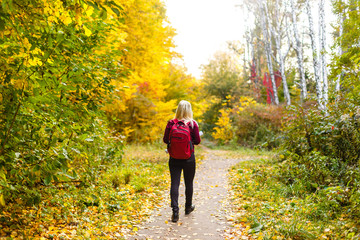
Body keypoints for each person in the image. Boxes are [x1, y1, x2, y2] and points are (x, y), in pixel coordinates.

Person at [163, 100, 201, 223]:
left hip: (174, 157)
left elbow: (165, 140)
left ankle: (175, 212)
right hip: (189, 158)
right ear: (189, 110)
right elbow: (197, 141)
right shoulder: (192, 124)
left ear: (178, 109)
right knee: (188, 183)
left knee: (174, 183)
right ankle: (188, 207)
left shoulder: (171, 123)